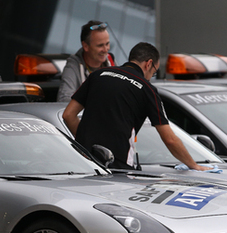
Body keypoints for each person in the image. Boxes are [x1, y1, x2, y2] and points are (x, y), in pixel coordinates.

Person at [62, 42, 211, 171]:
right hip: (117, 169)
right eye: (154, 72)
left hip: (83, 163)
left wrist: (86, 144)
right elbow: (170, 139)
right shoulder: (147, 89)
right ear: (148, 64)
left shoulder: (98, 75)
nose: (150, 77)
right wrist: (194, 165)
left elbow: (68, 115)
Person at [56, 20, 116, 103]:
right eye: (100, 45)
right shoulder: (74, 65)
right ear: (85, 46)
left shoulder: (111, 61)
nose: (105, 50)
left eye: (107, 44)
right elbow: (63, 100)